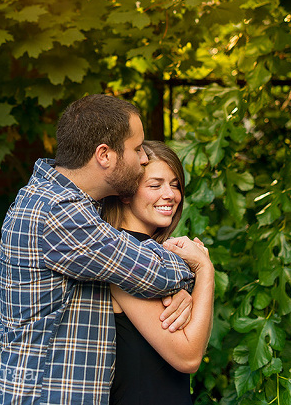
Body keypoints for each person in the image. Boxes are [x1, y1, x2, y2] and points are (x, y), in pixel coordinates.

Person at [0, 94, 196, 405]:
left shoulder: (69, 205)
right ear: (104, 155)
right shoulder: (58, 212)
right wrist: (194, 264)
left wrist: (179, 288)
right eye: (136, 149)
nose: (143, 159)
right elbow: (153, 272)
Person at [102, 141, 215, 405]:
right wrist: (205, 272)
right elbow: (188, 357)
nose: (170, 195)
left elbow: (195, 341)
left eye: (175, 185)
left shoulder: (156, 259)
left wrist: (190, 295)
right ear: (127, 193)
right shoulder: (124, 257)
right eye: (155, 185)